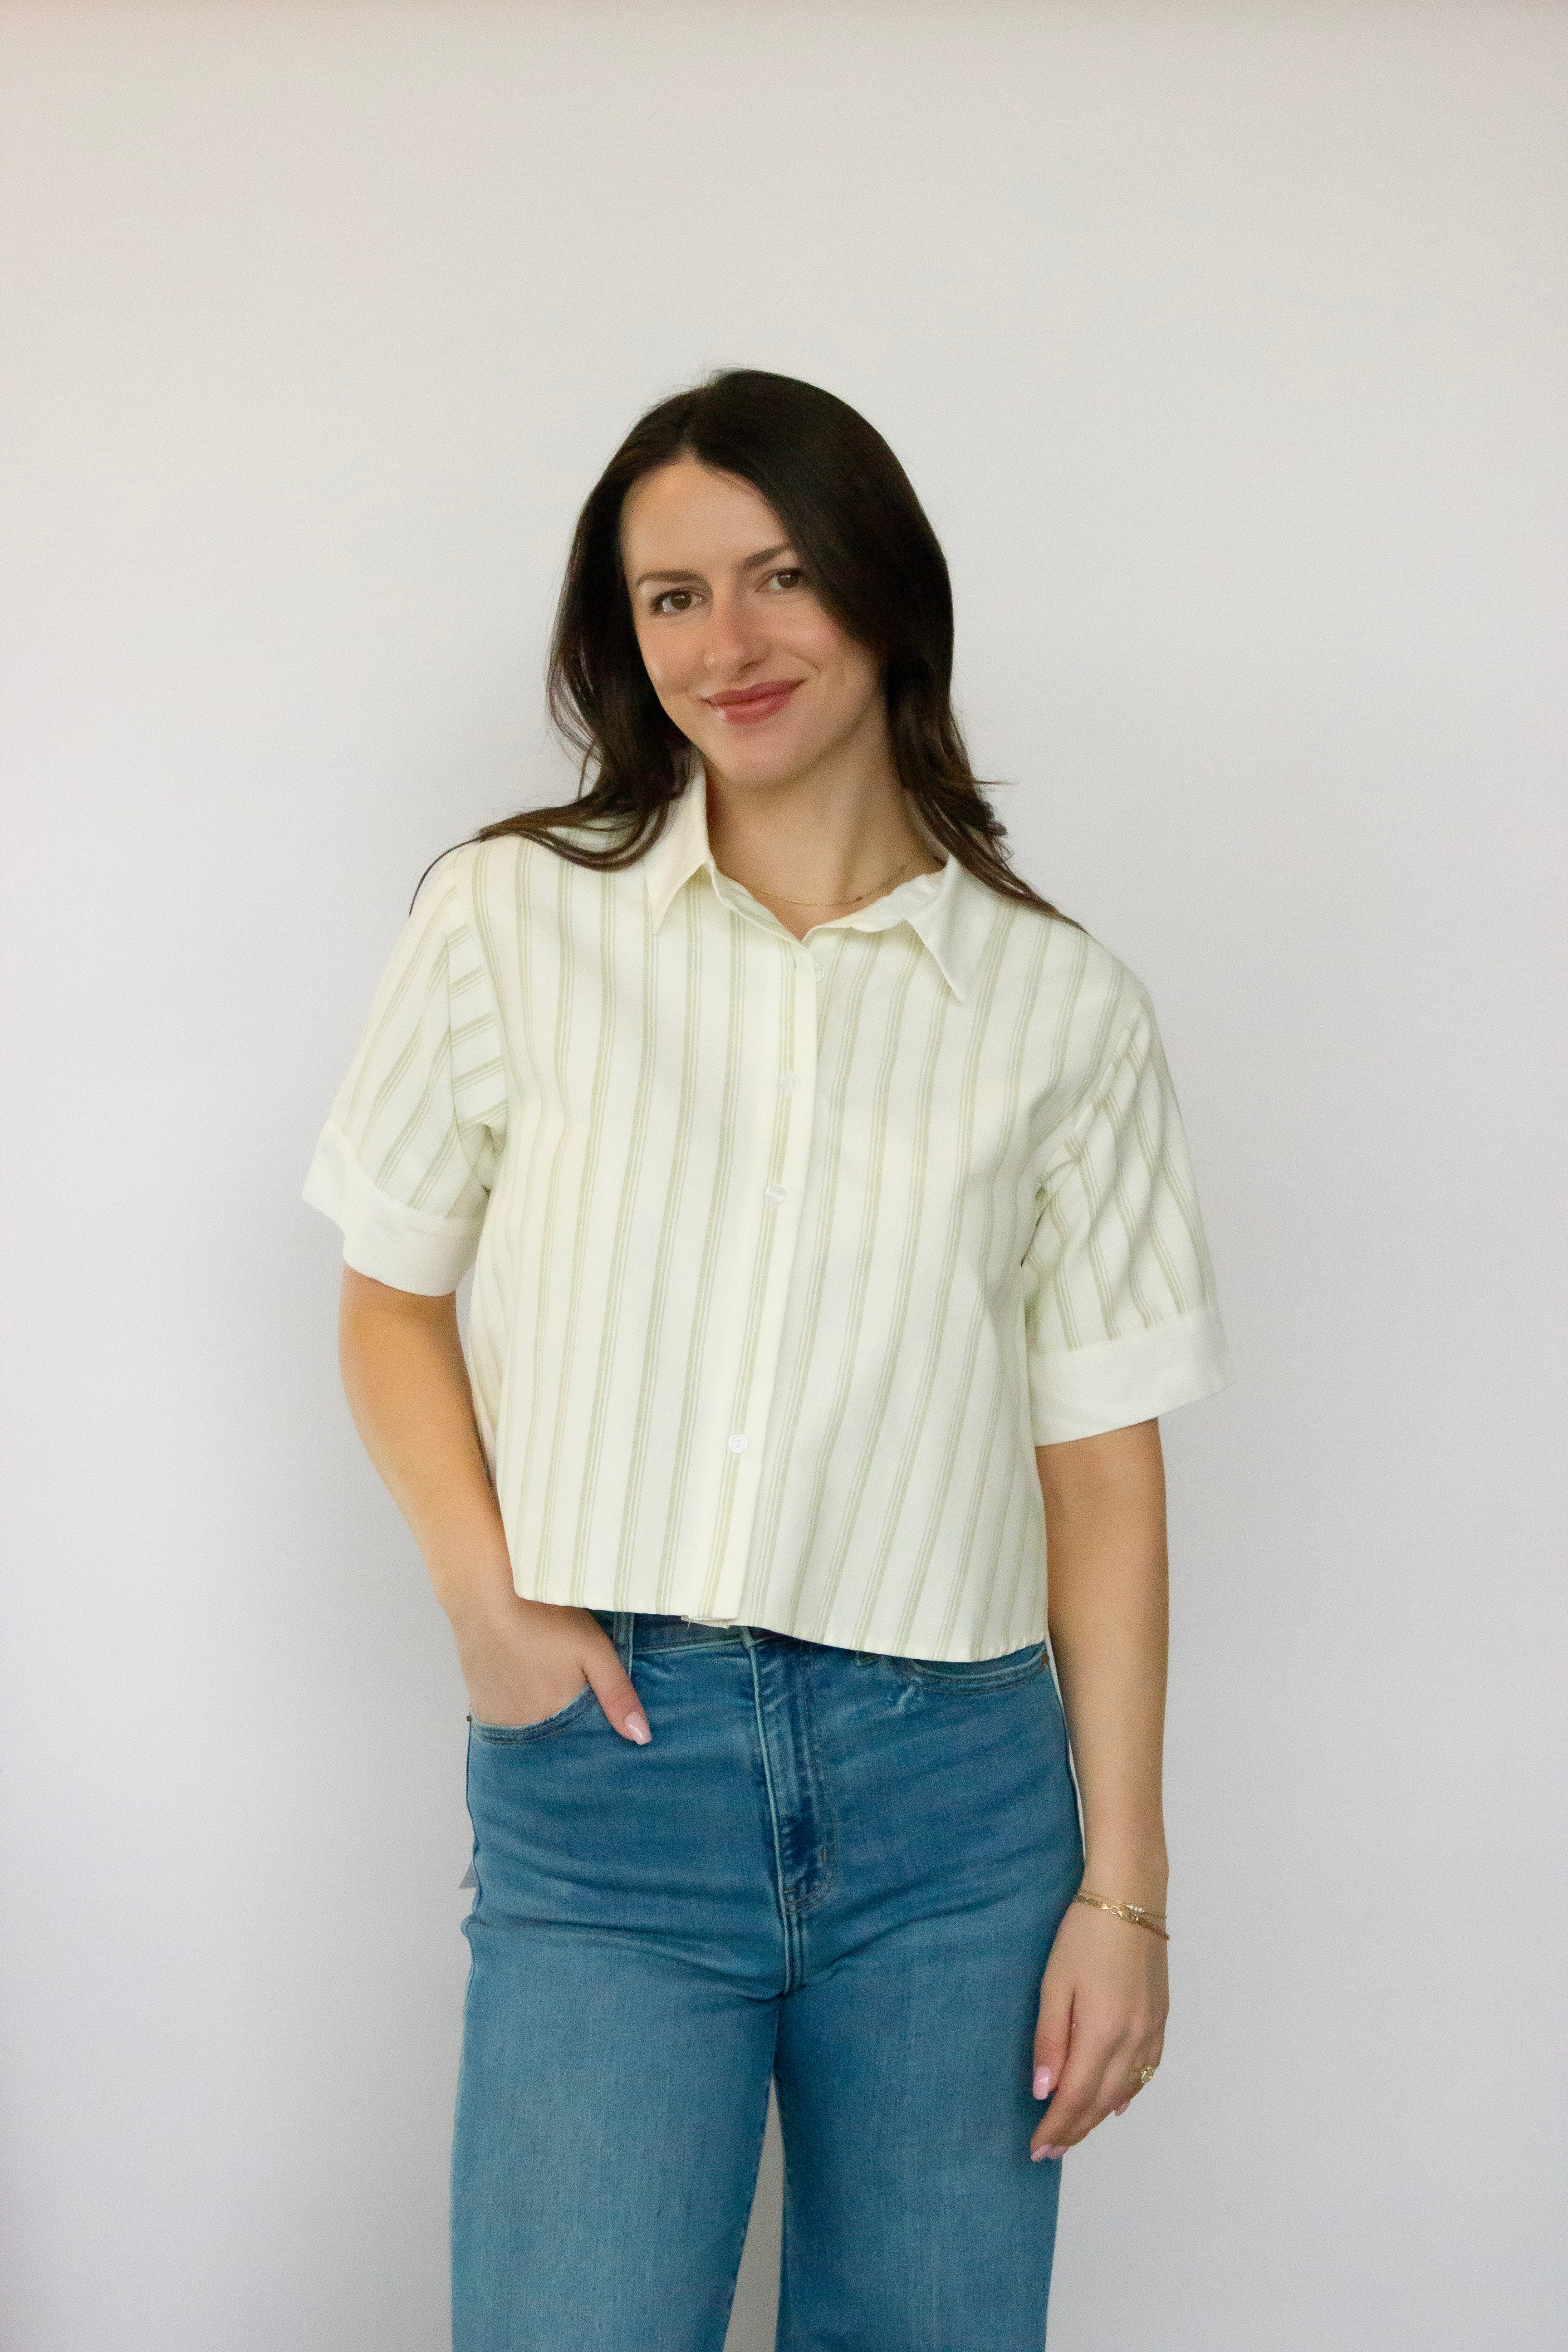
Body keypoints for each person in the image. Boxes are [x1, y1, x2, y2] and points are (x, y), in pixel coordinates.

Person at [303, 368, 1233, 2351]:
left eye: (781, 573)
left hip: (959, 1811)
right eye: (672, 596)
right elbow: (391, 1297)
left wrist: (1126, 1892)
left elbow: (1099, 1465)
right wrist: (488, 1604)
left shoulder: (1061, 1010)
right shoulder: (510, 920)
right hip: (612, 1782)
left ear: (884, 587)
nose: (726, 641)